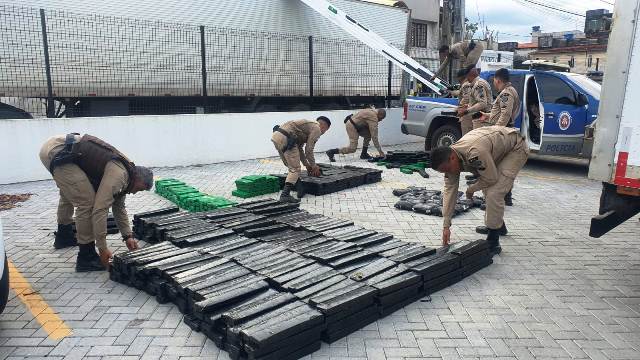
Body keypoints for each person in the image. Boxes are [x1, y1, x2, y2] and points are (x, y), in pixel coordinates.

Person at [39, 134, 154, 272]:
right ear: (138, 179)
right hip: (56, 150)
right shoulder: (120, 175)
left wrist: (128, 236)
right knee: (87, 201)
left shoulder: (128, 174)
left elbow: (119, 206)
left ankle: (64, 236)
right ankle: (86, 257)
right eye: (139, 189)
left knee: (72, 190)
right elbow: (100, 209)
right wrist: (102, 248)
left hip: (59, 147)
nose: (134, 193)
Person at [430, 126, 529, 254]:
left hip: (515, 149)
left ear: (452, 158)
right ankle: (498, 225)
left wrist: (471, 189)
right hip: (496, 150)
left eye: (447, 169)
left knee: (494, 192)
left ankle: (493, 240)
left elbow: (491, 178)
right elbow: (450, 190)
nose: (448, 173)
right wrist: (446, 225)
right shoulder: (451, 159)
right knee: (487, 188)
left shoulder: (474, 153)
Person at [272, 116, 331, 203]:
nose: (323, 133)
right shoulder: (317, 128)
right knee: (295, 169)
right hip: (286, 138)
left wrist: (307, 165)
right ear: (324, 126)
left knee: (291, 167)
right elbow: (309, 150)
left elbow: (299, 149)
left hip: (276, 137)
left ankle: (300, 188)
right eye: (325, 130)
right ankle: (285, 195)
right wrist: (314, 166)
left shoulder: (306, 128)